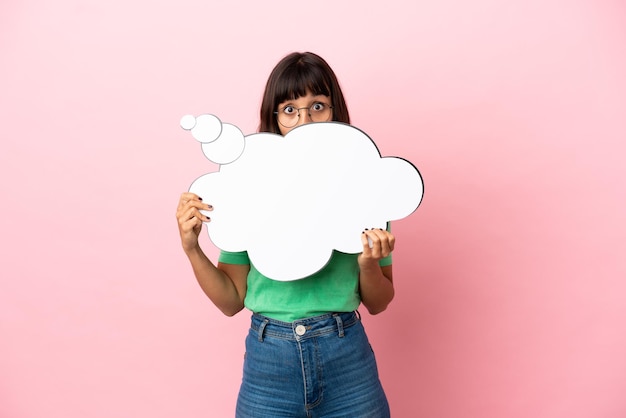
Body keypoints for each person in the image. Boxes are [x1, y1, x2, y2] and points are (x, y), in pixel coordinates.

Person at [176, 51, 395, 417]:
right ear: (274, 119)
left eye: (318, 106)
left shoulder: (367, 189)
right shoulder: (246, 190)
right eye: (290, 109)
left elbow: (379, 301)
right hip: (269, 363)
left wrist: (369, 264)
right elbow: (231, 300)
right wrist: (192, 248)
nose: (305, 119)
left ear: (336, 112)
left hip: (347, 359)